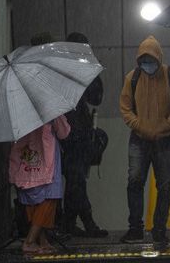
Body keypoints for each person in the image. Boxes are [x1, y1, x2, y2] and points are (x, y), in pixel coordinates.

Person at [119, 35, 170, 245]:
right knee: (135, 182)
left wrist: (161, 128)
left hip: (165, 140)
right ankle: (135, 229)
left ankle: (159, 230)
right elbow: (125, 109)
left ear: (159, 58)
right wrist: (142, 127)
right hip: (139, 139)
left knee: (165, 186)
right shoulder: (132, 78)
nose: (147, 64)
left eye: (151, 60)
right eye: (143, 60)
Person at [60, 32, 107, 238]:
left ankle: (68, 222)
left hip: (79, 133)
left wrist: (90, 70)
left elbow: (96, 98)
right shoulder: (60, 70)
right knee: (76, 179)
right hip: (68, 135)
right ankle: (87, 222)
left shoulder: (83, 70)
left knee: (75, 180)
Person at [9, 116, 71, 254]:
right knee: (48, 200)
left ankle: (42, 240)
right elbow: (64, 132)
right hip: (46, 160)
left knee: (33, 202)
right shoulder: (50, 109)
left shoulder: (18, 111)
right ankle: (29, 241)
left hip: (25, 161)